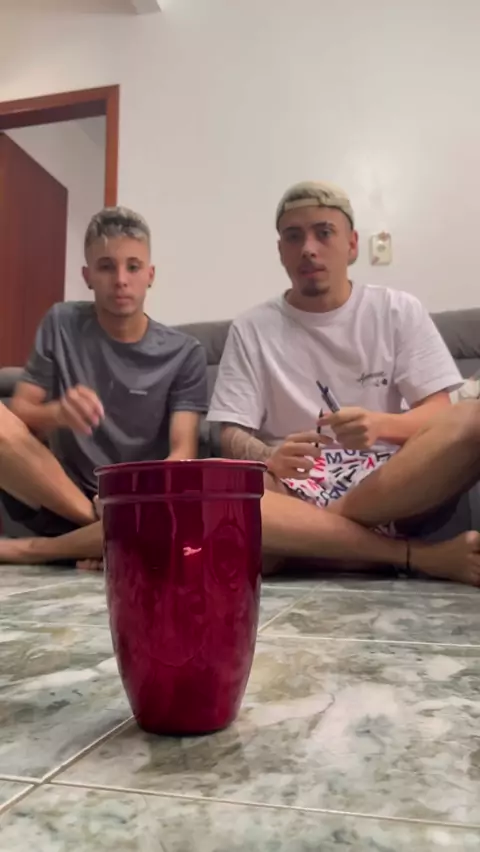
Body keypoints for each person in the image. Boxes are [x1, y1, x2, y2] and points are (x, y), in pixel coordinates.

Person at [208, 181, 480, 585]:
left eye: (324, 232)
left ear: (351, 245)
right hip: (290, 481)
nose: (308, 248)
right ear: (280, 251)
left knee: (473, 419)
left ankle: (311, 539)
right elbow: (229, 433)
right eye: (294, 236)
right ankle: (416, 556)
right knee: (215, 489)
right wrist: (269, 456)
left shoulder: (397, 309)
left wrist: (380, 425)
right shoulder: (251, 328)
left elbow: (440, 412)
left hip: (390, 483)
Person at [0, 206, 207, 569]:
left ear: (150, 275)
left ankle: (43, 549)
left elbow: (182, 452)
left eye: (133, 267)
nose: (121, 280)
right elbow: (19, 414)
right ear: (88, 276)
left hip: (141, 503)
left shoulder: (185, 352)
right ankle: (105, 535)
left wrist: (129, 500)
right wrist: (58, 413)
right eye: (107, 267)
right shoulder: (61, 322)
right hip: (65, 498)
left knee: (182, 483)